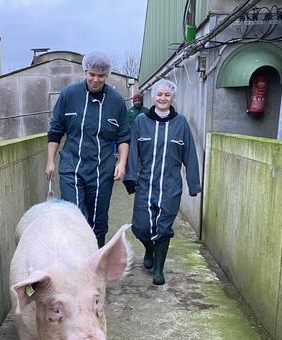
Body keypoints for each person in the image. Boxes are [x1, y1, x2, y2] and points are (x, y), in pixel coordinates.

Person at [45, 52, 130, 247]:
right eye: (92, 74)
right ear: (85, 71)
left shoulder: (116, 101)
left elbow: (124, 136)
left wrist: (122, 162)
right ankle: (78, 259)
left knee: (98, 220)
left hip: (102, 169)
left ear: (107, 75)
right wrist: (50, 161)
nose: (95, 80)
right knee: (75, 216)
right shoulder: (69, 95)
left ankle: (97, 257)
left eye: (101, 76)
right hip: (71, 166)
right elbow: (56, 130)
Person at [123, 79, 201, 286]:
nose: (163, 98)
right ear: (153, 97)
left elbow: (190, 154)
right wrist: (130, 178)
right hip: (146, 183)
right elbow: (133, 152)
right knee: (141, 227)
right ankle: (149, 249)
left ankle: (158, 269)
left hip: (171, 184)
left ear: (173, 98)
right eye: (159, 94)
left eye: (167, 95)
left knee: (163, 227)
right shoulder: (141, 122)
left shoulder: (181, 123)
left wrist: (194, 184)